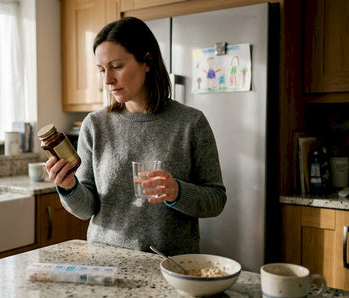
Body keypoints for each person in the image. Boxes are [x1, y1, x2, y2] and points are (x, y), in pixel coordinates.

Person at [45, 17, 226, 256]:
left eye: (116, 66)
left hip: (171, 264)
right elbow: (87, 208)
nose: (107, 80)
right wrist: (69, 186)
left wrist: (177, 192)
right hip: (106, 261)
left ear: (147, 61)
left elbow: (216, 199)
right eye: (102, 70)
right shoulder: (95, 125)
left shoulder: (190, 123)